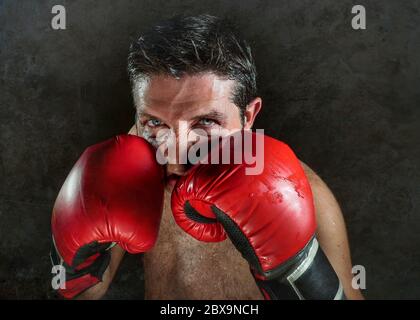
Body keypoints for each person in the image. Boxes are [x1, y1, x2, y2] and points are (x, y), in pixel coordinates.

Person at [51, 14, 364, 300]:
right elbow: (78, 296)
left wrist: (302, 273)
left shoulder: (302, 193)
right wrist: (72, 271)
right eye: (156, 123)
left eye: (205, 123)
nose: (176, 155)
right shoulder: (125, 174)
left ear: (249, 115)